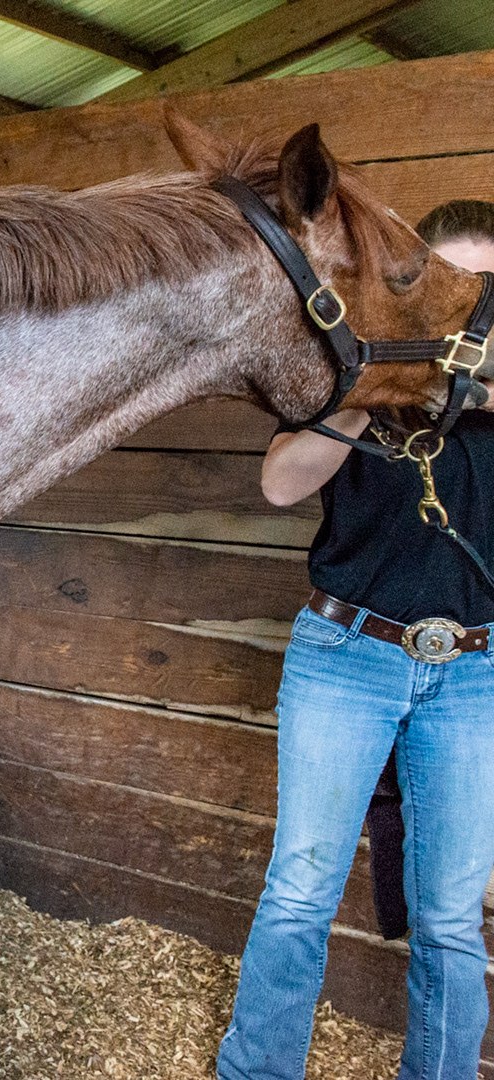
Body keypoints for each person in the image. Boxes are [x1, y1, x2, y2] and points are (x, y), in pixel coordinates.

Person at [217, 199, 494, 1080]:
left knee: (451, 917)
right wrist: (370, 392)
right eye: (453, 282)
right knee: (300, 892)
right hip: (348, 656)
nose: (470, 305)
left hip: (476, 672)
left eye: (487, 288)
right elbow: (280, 483)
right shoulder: (365, 367)